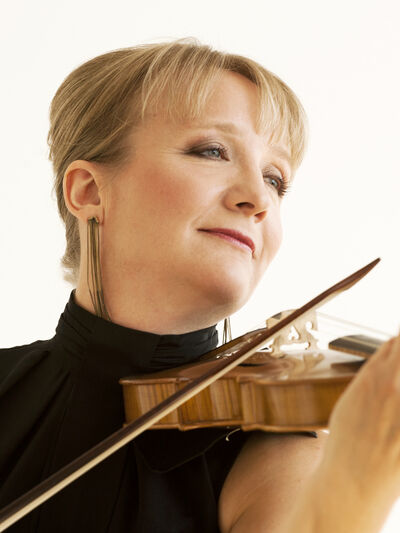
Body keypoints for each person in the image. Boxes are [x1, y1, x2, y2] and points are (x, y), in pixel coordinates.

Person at [0, 38, 399, 533]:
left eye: (276, 179)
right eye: (213, 151)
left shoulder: (275, 455)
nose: (258, 198)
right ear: (89, 191)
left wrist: (367, 470)